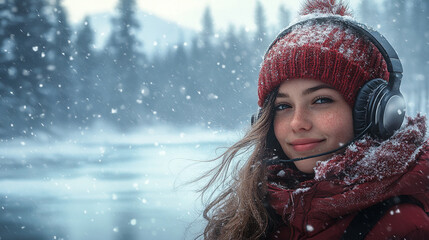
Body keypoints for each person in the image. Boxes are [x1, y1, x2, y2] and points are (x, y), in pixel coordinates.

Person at [198, 0, 429, 239]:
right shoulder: (260, 208)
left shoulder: (404, 227)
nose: (297, 123)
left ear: (377, 112)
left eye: (320, 100)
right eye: (283, 106)